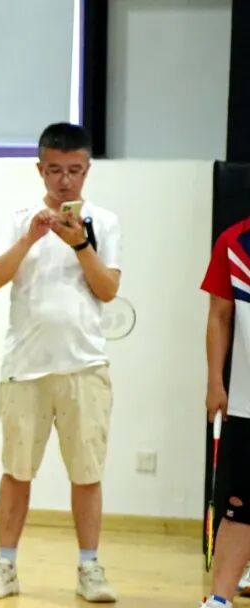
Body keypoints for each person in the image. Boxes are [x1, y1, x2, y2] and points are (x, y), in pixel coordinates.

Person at [0, 123, 122, 602]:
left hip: (85, 367)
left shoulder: (103, 222)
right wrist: (29, 240)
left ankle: (90, 567)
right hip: (24, 368)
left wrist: (79, 243)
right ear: (40, 169)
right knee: (16, 471)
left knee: (87, 473)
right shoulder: (20, 219)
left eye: (74, 170)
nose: (65, 180)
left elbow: (108, 289)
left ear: (87, 170)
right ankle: (5, 565)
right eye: (55, 170)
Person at [197, 217, 250, 608]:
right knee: (240, 507)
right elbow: (219, 314)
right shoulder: (235, 242)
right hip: (248, 403)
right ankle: (219, 599)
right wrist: (215, 382)